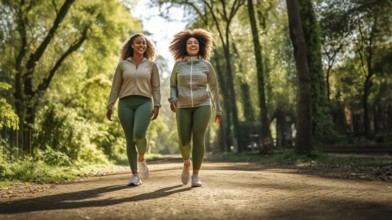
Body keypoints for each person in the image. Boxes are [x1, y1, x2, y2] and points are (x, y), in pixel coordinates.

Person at [168, 29, 222, 187]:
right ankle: (186, 163)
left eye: (196, 43)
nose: (193, 44)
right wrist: (173, 98)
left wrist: (218, 109)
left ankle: (196, 175)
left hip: (202, 104)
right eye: (190, 42)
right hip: (183, 106)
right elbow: (173, 84)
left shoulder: (206, 65)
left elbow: (213, 88)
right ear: (185, 46)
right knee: (184, 141)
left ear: (201, 46)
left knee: (199, 137)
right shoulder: (178, 65)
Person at [106, 33, 161, 186]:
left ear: (146, 46)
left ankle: (141, 158)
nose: (141, 45)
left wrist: (157, 104)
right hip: (125, 103)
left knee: (138, 134)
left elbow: (156, 87)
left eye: (144, 43)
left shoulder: (151, 65)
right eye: (138, 43)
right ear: (131, 45)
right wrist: (110, 105)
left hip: (144, 102)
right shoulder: (123, 65)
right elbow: (115, 87)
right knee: (129, 139)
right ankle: (135, 175)